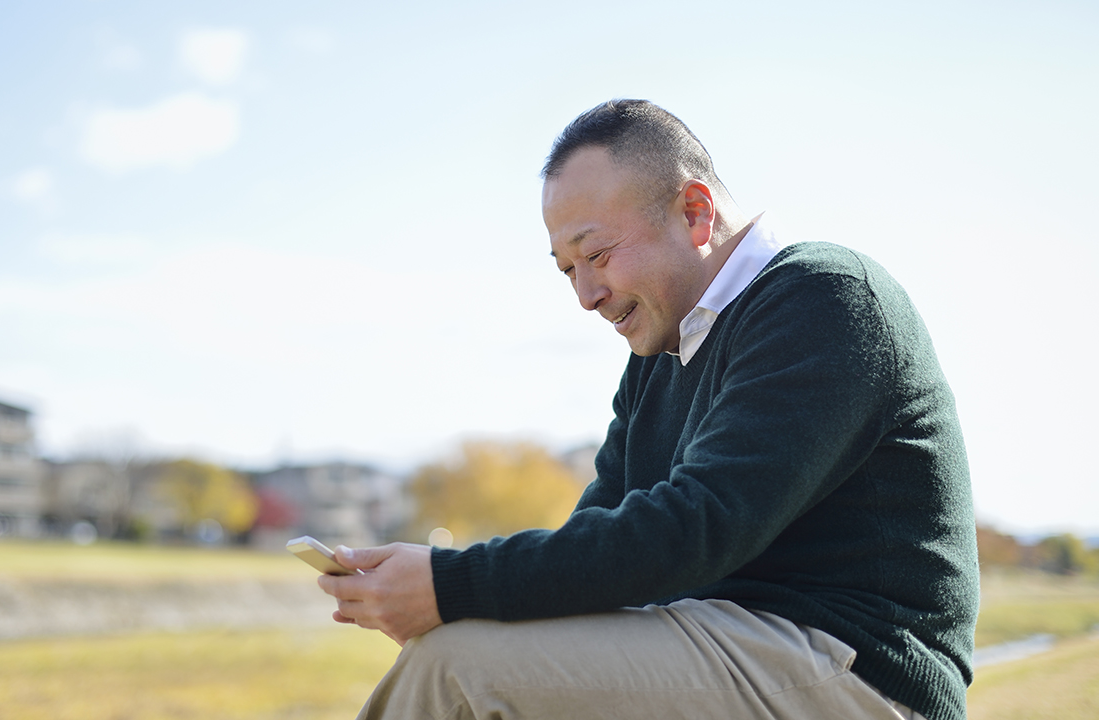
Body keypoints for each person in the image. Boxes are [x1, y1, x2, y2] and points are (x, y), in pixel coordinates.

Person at [317, 99, 979, 720]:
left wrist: (450, 586)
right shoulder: (658, 357)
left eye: (596, 255)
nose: (585, 295)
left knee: (458, 668)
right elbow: (602, 538)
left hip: (857, 669)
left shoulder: (825, 299)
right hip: (720, 644)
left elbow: (698, 527)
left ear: (694, 212)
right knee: (472, 643)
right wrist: (460, 599)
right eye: (566, 269)